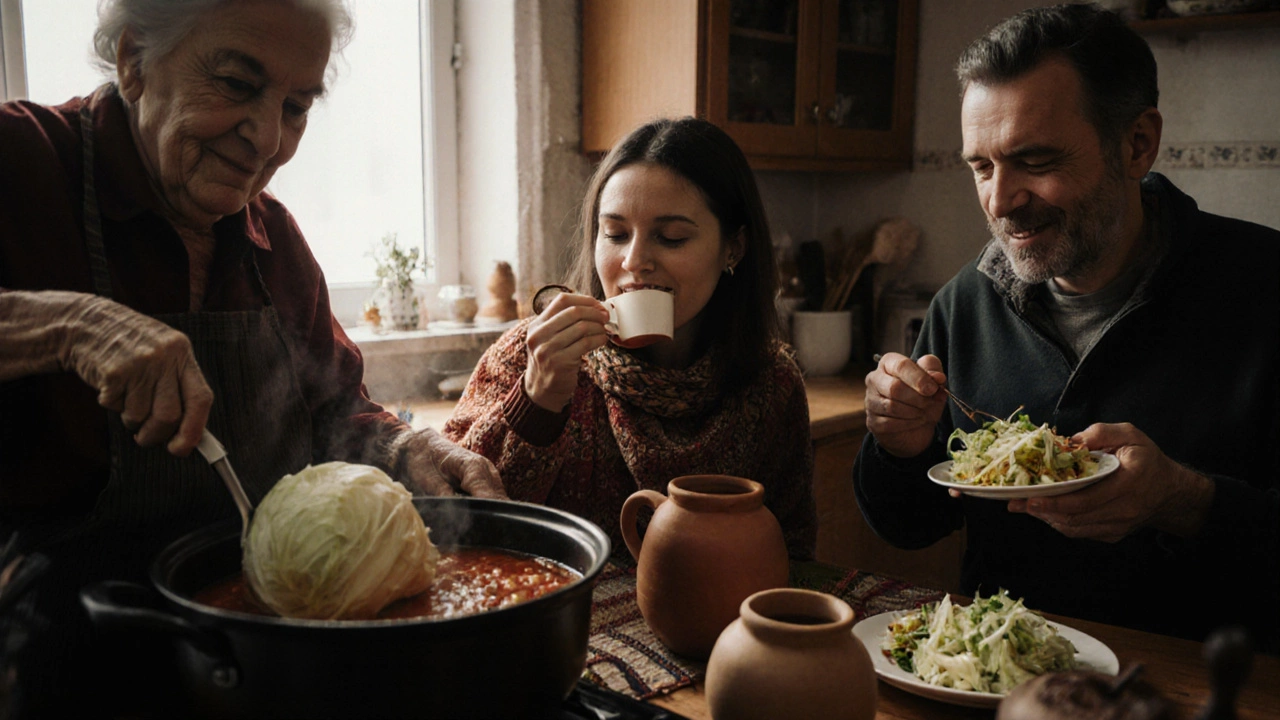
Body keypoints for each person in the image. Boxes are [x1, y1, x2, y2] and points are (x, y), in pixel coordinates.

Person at [0, 0, 505, 715]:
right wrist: (65, 324)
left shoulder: (275, 245)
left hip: (253, 657)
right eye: (237, 84)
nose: (268, 139)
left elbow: (335, 413)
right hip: (53, 665)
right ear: (133, 59)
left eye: (297, 106)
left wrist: (404, 445)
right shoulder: (21, 164)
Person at [855, 4, 1278, 651]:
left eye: (1034, 160)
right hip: (1004, 680)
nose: (1000, 201)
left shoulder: (1262, 288)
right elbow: (905, 525)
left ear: (1137, 143)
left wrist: (1186, 501)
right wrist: (898, 446)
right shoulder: (965, 305)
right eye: (982, 166)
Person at [445, 117, 817, 560]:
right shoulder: (534, 355)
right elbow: (454, 528)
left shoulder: (769, 385)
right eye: (616, 234)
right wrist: (536, 400)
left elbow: (791, 557)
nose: (634, 261)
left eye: (671, 237)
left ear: (733, 248)